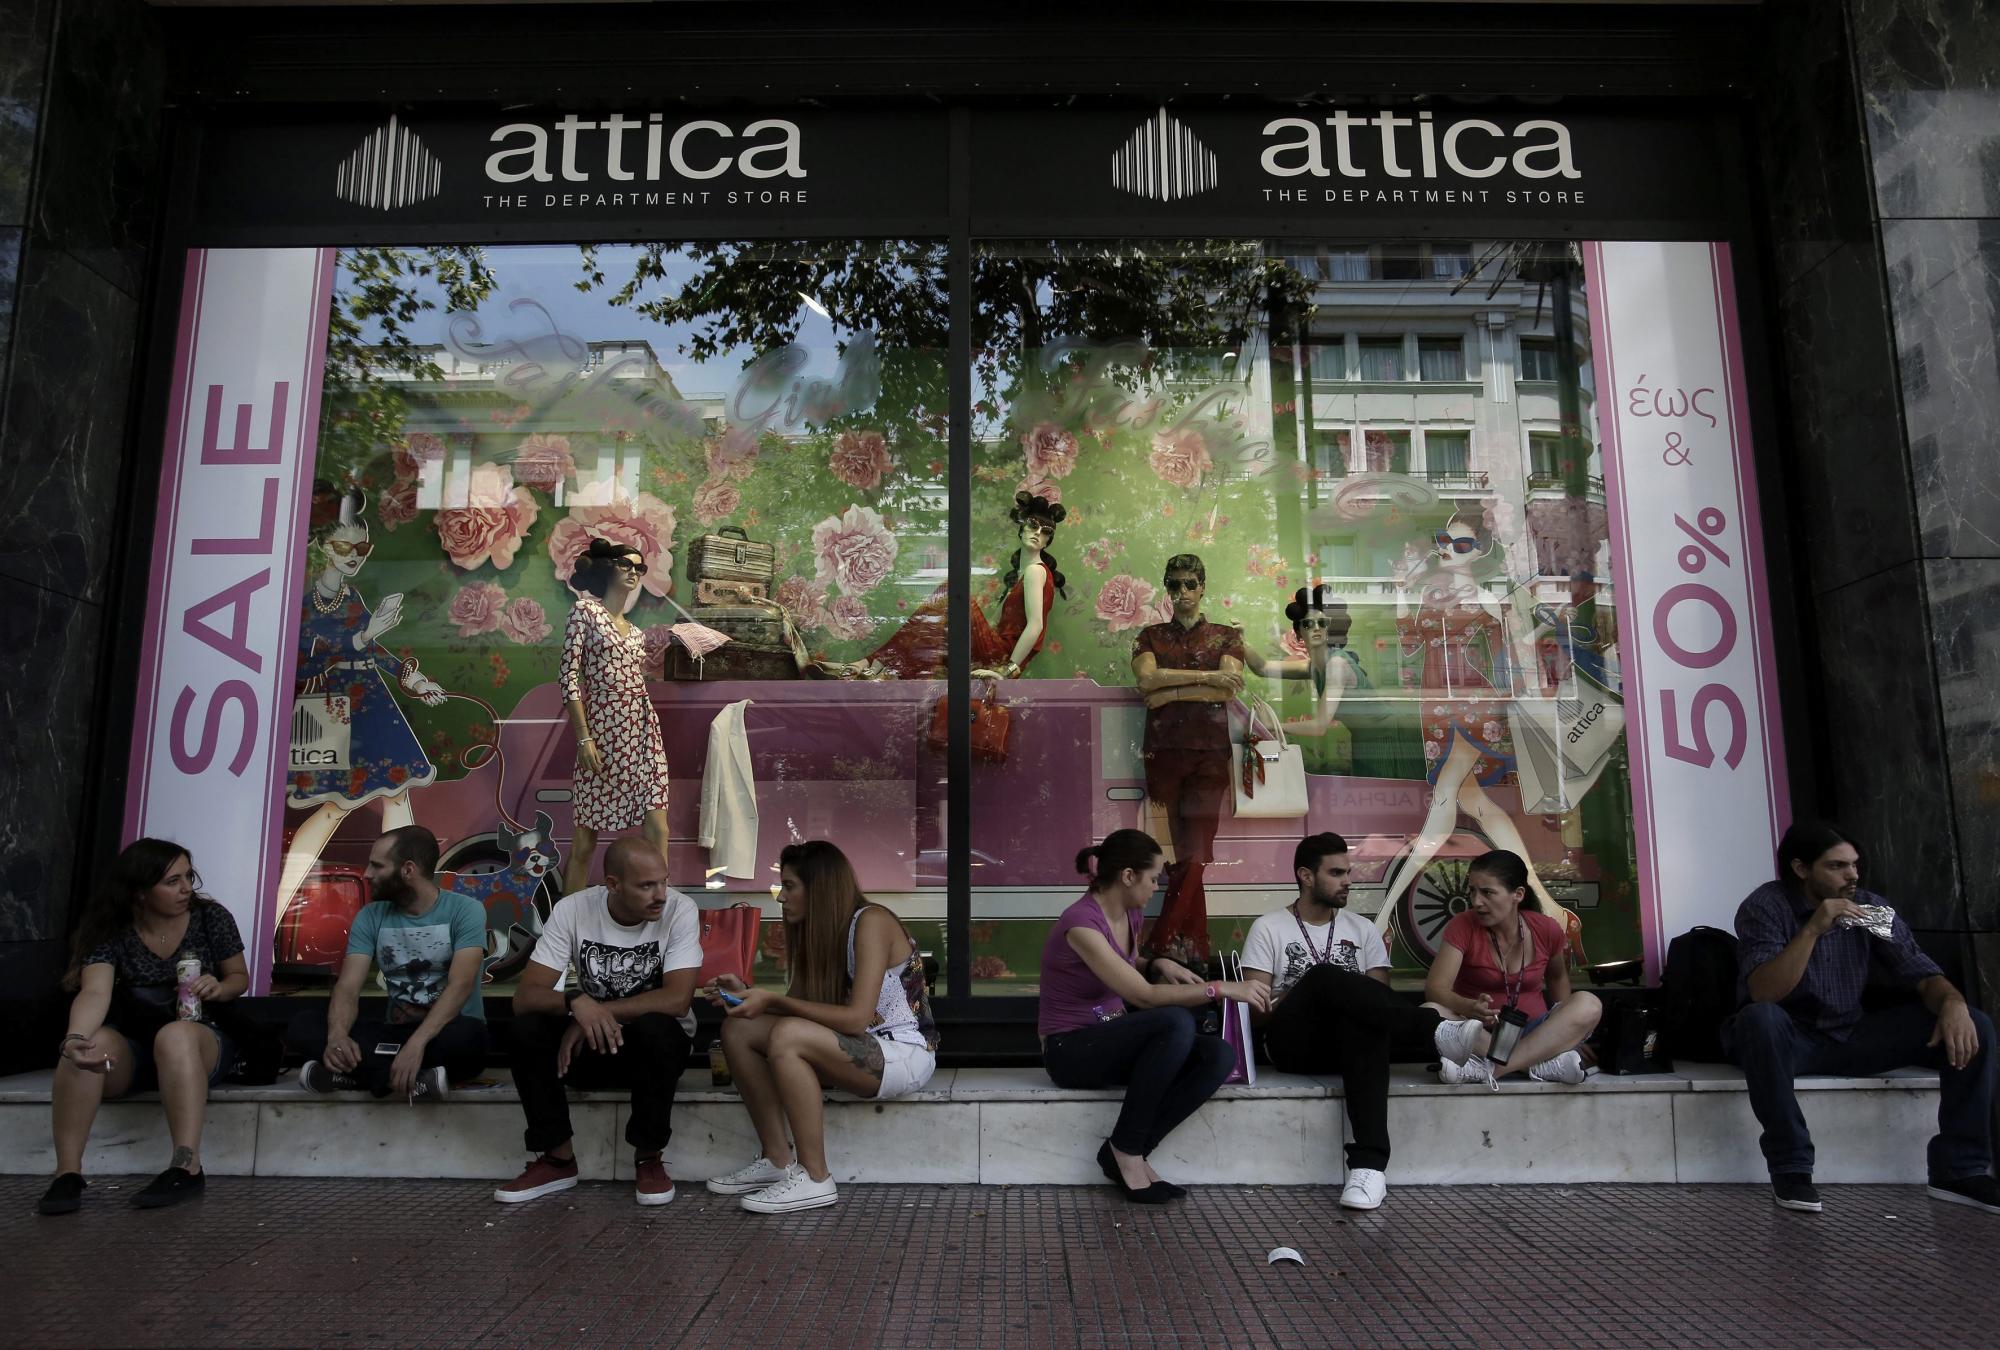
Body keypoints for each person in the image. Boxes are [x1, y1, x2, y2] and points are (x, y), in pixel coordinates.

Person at [1726, 820, 1997, 1215]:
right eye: (1836, 866)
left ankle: (1960, 1170)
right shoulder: (1766, 907)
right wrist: (1815, 928)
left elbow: (1922, 973)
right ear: (1801, 869)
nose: (1851, 875)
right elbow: (1765, 991)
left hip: (1850, 1033)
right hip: (1789, 1038)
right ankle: (1791, 1168)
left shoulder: (1869, 908)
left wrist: (1953, 1003)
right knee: (1760, 1019)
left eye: (1854, 865)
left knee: (1978, 1025)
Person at [1375, 515, 1585, 961]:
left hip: (1473, 705)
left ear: (1479, 551)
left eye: (1462, 543)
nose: (1451, 548)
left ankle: (1382, 917)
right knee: (1484, 810)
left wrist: (1545, 625)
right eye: (1445, 540)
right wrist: (1398, 587)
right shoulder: (1431, 595)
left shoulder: (1490, 597)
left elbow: (1517, 650)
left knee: (1443, 805)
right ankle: (1553, 910)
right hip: (1435, 708)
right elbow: (1409, 641)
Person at [705, 840, 939, 1213]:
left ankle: (815, 1178)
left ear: (820, 888)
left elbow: (856, 1017)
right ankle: (777, 1160)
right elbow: (800, 1011)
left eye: (790, 886)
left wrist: (773, 1000)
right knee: (738, 1030)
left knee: (788, 1035)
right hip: (858, 1045)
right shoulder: (817, 931)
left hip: (904, 1053)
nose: (781, 898)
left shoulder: (872, 921)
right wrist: (746, 998)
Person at [1038, 829, 1270, 1202]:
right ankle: (1126, 1150)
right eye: (1152, 878)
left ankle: (1131, 1149)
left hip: (1112, 1040)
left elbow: (1122, 963)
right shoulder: (1080, 924)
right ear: (1128, 876)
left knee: (1217, 1055)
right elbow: (1143, 997)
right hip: (1070, 1050)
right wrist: (1218, 988)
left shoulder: (1129, 913)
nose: (1156, 887)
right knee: (1174, 1020)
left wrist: (1156, 961)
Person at [1244, 832, 1456, 1211]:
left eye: (1349, 871)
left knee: (1364, 1023)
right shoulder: (1269, 927)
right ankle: (1440, 1032)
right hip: (1293, 1045)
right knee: (1324, 976)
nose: (1348, 881)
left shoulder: (1363, 930)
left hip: (1350, 1049)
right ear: (1306, 876)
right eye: (1337, 872)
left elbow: (1379, 1006)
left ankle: (1369, 1169)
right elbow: (1257, 1012)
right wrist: (1308, 989)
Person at [40, 840, 248, 1215]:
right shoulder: (112, 926)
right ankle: (67, 1174)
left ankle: (187, 1165)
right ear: (139, 892)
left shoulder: (210, 917)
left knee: (176, 1035)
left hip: (200, 1039)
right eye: (173, 881)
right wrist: (73, 1038)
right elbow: (94, 992)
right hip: (135, 1046)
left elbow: (239, 978)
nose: (187, 888)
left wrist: (219, 987)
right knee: (88, 1043)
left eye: (189, 876)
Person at [275, 483, 451, 927]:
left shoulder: (349, 598)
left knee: (395, 798)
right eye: (343, 546)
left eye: (362, 547)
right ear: (321, 546)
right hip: (335, 714)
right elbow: (301, 660)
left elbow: (370, 650)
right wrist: (363, 636)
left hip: (370, 709)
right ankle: (275, 911)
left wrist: (412, 677)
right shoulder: (304, 601)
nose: (355, 555)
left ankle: (413, 912)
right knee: (334, 808)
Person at [496, 838, 701, 1206]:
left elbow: (677, 999)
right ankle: (557, 1159)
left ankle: (648, 1156)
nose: (660, 895)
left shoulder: (680, 911)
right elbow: (525, 997)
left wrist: (597, 1011)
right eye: (646, 886)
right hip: (586, 1049)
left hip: (648, 1054)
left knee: (660, 1028)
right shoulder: (574, 910)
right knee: (525, 1029)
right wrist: (576, 1002)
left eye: (663, 882)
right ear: (612, 884)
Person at [286, 825, 487, 1101]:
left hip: (444, 1031)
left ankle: (356, 1078)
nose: (367, 874)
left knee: (471, 1040)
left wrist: (417, 1043)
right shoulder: (370, 916)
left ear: (408, 870)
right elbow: (348, 987)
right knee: (303, 1025)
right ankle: (414, 1082)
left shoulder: (466, 910)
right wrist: (337, 1037)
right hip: (392, 1034)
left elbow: (461, 985)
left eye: (377, 866)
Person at [1131, 553, 1246, 963]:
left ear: (1202, 587)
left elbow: (1229, 688)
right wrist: (1206, 678)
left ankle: (1158, 943)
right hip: (1160, 754)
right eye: (1174, 584)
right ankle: (1196, 949)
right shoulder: (1150, 635)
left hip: (1209, 758)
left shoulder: (1225, 636)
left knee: (1195, 851)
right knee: (1175, 855)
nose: (1182, 592)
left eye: (1189, 584)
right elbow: (1146, 680)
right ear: (1167, 588)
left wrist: (1169, 690)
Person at [1424, 849, 1602, 1087]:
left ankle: (1493, 1069)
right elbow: (1436, 989)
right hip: (1480, 1034)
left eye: (1487, 892)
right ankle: (1537, 1064)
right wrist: (1468, 1006)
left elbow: (1558, 979)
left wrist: (1571, 1032)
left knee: (1589, 1004)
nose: (1476, 901)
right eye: (1473, 891)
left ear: (1517, 894)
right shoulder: (1463, 925)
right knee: (1431, 1011)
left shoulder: (1546, 929)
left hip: (1536, 1032)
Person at [561, 536, 673, 895]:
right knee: (585, 840)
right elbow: (568, 676)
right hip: (603, 727)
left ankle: (657, 907)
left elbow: (633, 677)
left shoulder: (637, 634)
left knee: (658, 824)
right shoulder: (586, 612)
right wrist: (583, 737)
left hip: (641, 728)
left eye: (638, 567)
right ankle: (565, 929)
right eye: (626, 564)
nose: (633, 572)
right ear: (608, 568)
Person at [870, 489, 1068, 680]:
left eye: (1046, 532)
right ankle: (883, 666)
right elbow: (992, 625)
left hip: (1002, 658)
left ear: (1047, 541)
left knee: (952, 592)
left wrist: (1007, 671)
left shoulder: (1036, 571)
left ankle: (877, 663)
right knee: (939, 629)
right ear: (1022, 527)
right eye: (1033, 525)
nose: (1038, 533)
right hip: (996, 652)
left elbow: (1036, 625)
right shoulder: (1022, 575)